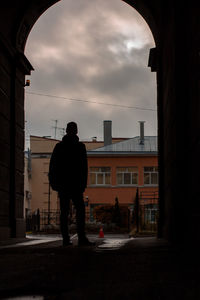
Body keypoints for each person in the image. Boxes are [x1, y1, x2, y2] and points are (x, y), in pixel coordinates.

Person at [49, 121, 94, 246]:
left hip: (63, 185)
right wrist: (83, 184)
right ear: (76, 131)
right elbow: (84, 168)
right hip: (76, 185)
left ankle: (65, 238)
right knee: (79, 210)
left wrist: (54, 182)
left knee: (64, 211)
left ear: (66, 131)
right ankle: (81, 238)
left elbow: (53, 166)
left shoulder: (59, 147)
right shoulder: (80, 147)